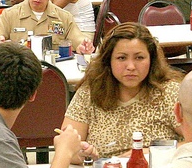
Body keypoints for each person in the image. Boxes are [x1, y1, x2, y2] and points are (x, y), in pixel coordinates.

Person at [63, 22, 181, 156]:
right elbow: (65, 146)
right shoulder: (90, 92)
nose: (131, 66)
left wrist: (151, 153)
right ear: (108, 61)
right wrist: (82, 155)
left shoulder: (169, 93)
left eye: (139, 58)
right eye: (121, 58)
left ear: (151, 60)